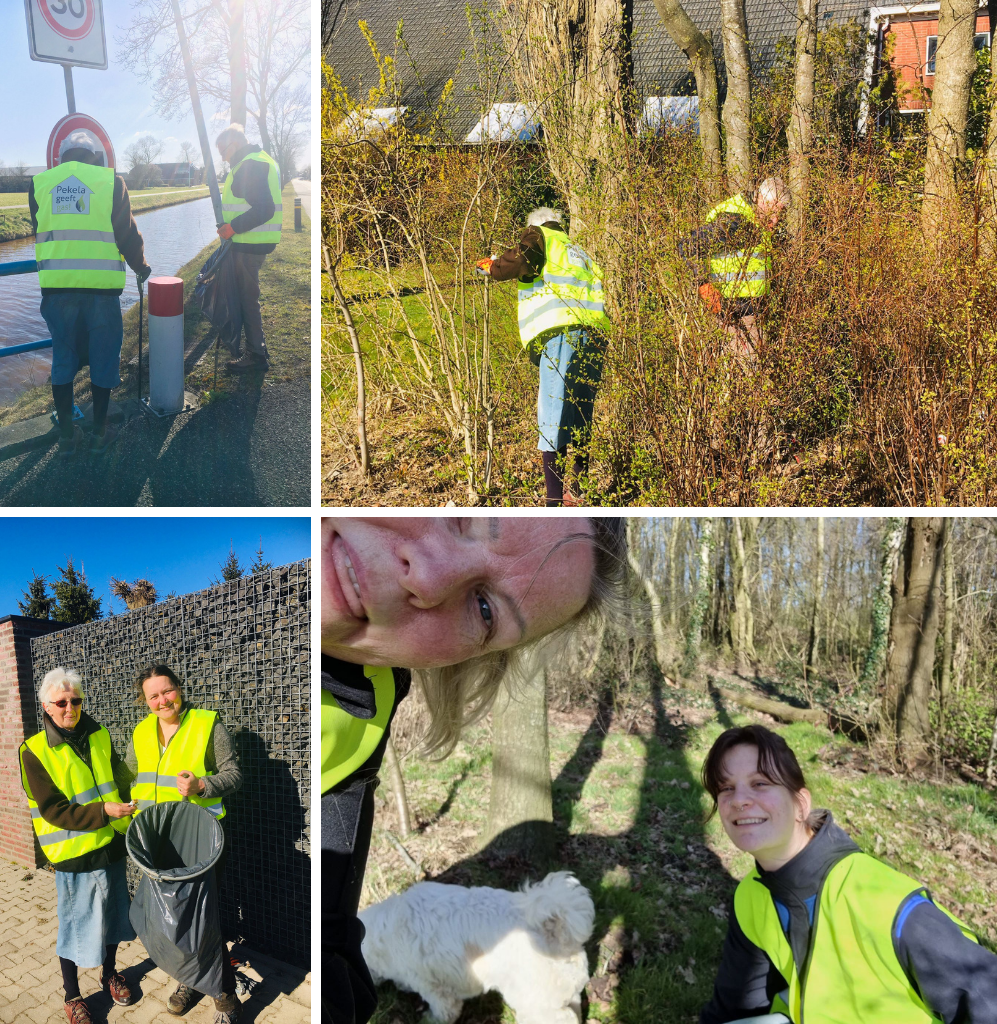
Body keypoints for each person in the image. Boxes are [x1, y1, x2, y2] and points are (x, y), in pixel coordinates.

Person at [321, 515, 629, 1024]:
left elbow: (332, 944)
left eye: (484, 610)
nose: (428, 577)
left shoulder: (364, 729)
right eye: (461, 518)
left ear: (462, 661)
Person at [699, 724, 997, 1024]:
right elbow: (736, 1010)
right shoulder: (752, 895)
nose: (739, 800)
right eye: (726, 788)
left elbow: (987, 998)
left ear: (800, 804)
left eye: (760, 783)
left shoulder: (885, 902)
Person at [122, 664, 243, 1024]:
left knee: (199, 922)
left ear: (180, 689)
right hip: (156, 844)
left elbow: (234, 774)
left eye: (167, 691)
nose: (163, 700)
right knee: (167, 921)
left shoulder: (207, 724)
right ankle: (189, 980)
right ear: (144, 702)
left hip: (199, 843)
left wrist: (202, 786)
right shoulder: (141, 732)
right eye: (153, 696)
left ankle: (225, 1000)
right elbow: (130, 776)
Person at [18, 667, 136, 1024]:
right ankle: (72, 995)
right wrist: (103, 811)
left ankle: (109, 974)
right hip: (74, 853)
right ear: (46, 706)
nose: (70, 707)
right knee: (76, 925)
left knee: (114, 916)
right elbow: (53, 810)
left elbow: (121, 776)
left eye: (76, 700)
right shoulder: (33, 751)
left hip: (112, 844)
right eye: (62, 702)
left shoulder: (98, 734)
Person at [30, 131, 152, 459]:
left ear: (62, 156)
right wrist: (140, 267)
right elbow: (126, 234)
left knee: (63, 360)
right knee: (102, 359)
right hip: (101, 291)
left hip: (57, 291)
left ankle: (68, 437)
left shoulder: (40, 184)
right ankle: (100, 433)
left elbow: (41, 231)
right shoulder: (110, 181)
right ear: (95, 157)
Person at [476, 209, 610, 506]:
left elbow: (519, 262)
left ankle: (553, 503)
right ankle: (577, 489)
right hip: (595, 335)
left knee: (552, 417)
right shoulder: (578, 250)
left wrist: (491, 267)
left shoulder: (539, 235)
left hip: (562, 334)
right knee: (579, 414)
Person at [679, 178, 790, 366]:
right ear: (760, 199)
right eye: (773, 211)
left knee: (753, 375)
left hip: (752, 310)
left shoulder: (758, 220)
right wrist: (704, 285)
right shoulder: (735, 221)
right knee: (751, 374)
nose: (776, 220)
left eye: (781, 214)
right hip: (731, 313)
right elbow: (688, 246)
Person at [213, 124, 282, 372]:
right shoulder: (261, 159)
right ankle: (257, 346)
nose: (222, 157)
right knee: (247, 296)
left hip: (249, 243)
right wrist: (231, 225)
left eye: (223, 150)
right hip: (252, 240)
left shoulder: (249, 164)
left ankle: (256, 355)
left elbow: (264, 208)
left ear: (236, 144)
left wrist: (233, 228)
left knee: (247, 298)